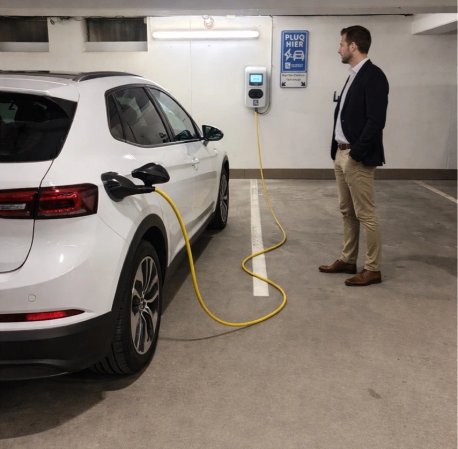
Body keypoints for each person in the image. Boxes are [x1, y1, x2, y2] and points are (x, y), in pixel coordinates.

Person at [319, 25, 389, 286]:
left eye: (341, 44)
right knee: (347, 211)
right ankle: (348, 259)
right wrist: (338, 151)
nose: (338, 49)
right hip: (341, 153)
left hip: (356, 157)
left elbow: (376, 120)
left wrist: (356, 153)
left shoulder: (374, 76)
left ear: (353, 46)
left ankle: (373, 268)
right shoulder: (353, 75)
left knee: (365, 214)